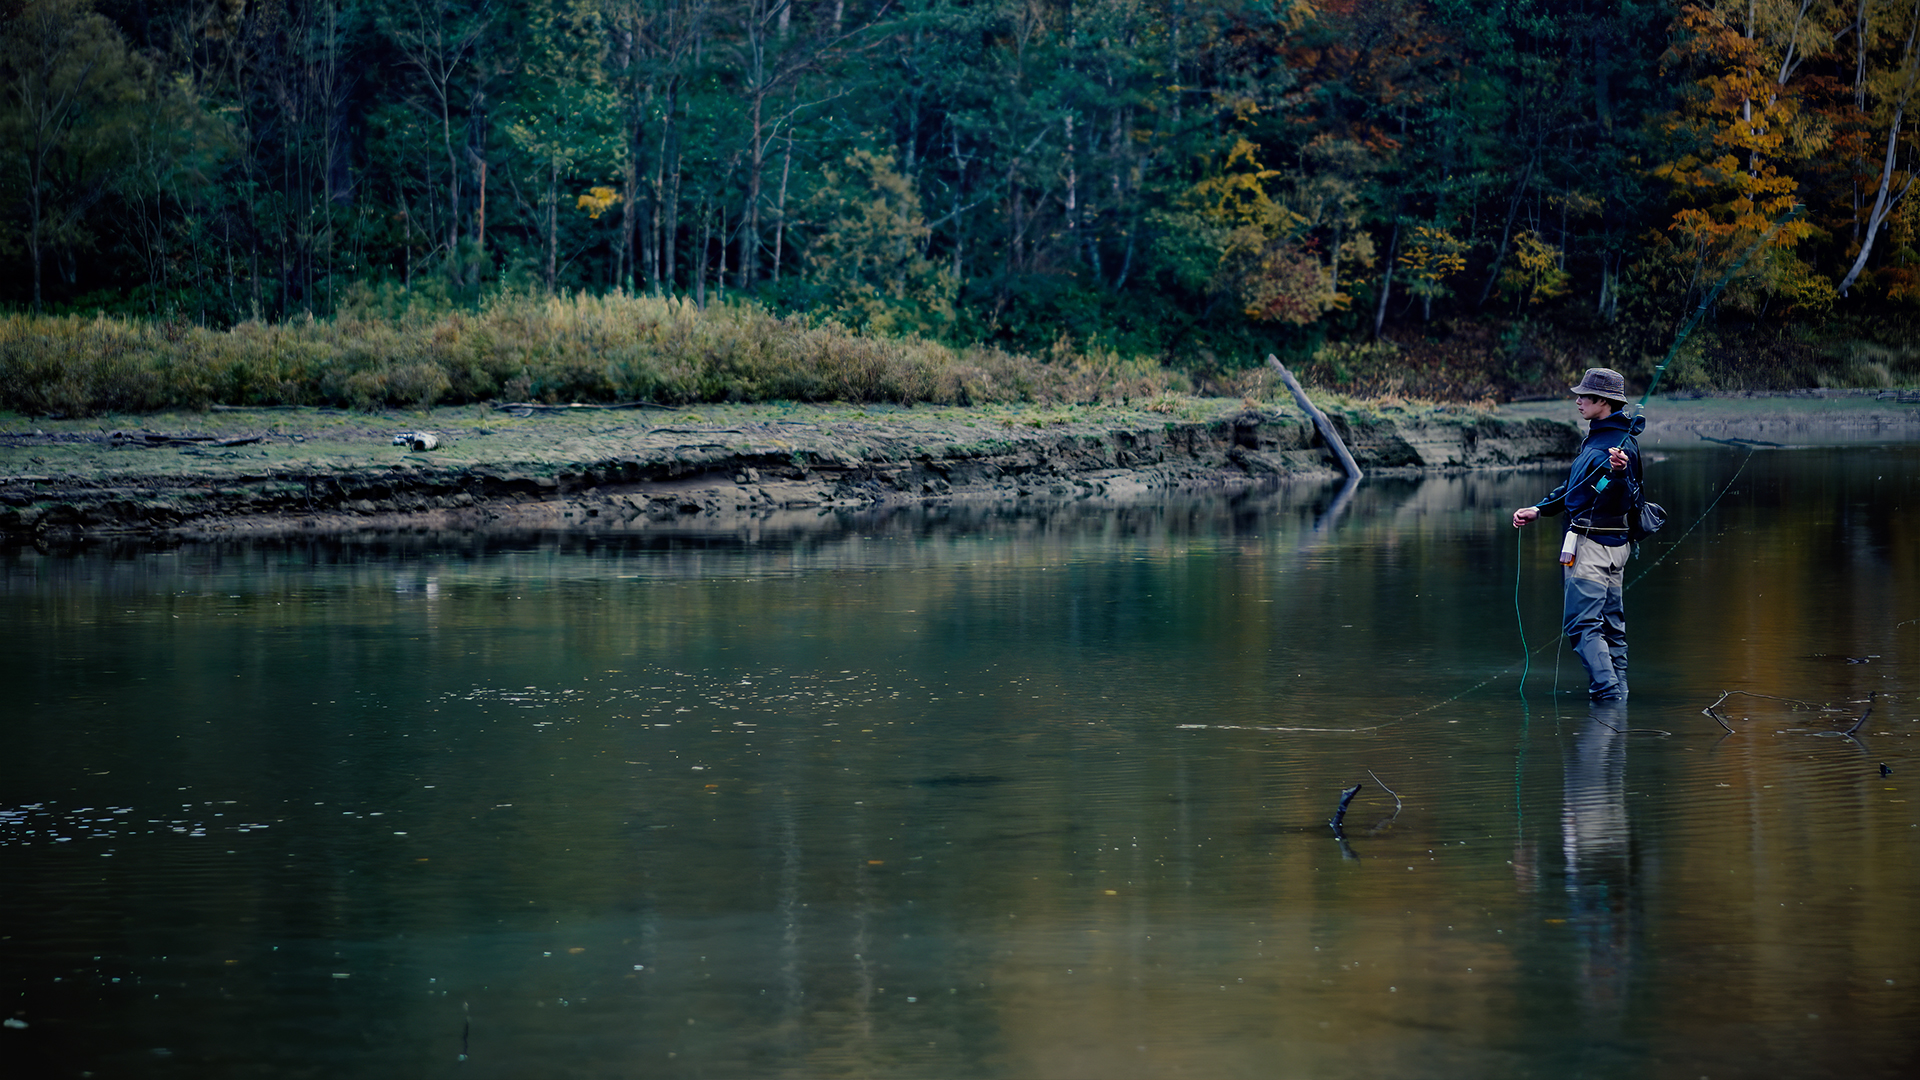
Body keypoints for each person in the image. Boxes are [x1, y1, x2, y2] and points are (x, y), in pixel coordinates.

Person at [1512, 368, 1642, 701]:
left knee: (1582, 625)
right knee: (1612, 626)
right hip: (1616, 547)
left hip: (1593, 547)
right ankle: (1619, 697)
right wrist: (1540, 509)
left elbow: (1624, 497)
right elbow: (1581, 488)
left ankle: (1608, 694)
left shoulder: (1618, 449)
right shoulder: (1605, 438)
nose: (1577, 400)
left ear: (1605, 402)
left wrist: (1620, 474)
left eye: (1584, 396)